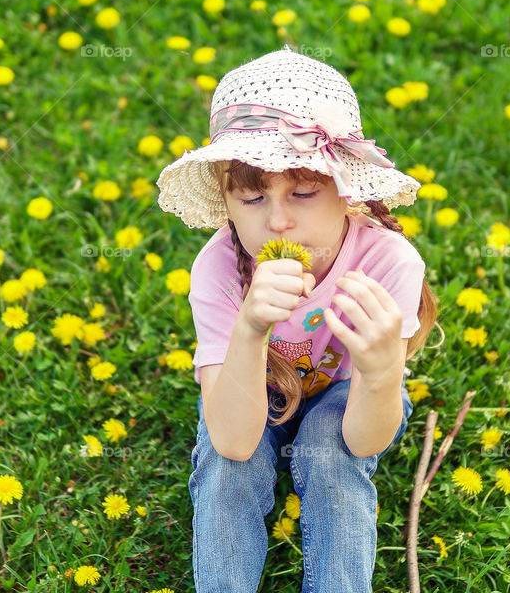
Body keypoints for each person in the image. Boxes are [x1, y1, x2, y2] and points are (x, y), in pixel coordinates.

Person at [156, 46, 439, 592]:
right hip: (250, 389)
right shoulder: (218, 268)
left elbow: (364, 441)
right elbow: (234, 442)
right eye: (252, 197)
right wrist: (250, 330)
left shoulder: (386, 264)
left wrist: (380, 372)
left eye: (304, 192)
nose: (278, 219)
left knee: (332, 453)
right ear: (227, 201)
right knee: (226, 472)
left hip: (347, 398)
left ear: (344, 190)